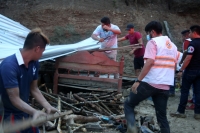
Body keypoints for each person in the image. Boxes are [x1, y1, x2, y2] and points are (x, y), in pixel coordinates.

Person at [0, 28, 58, 133]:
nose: (42, 54)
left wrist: (47, 106)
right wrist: (35, 111)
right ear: (37, 49)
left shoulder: (34, 63)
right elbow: (14, 98)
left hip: (25, 111)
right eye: (42, 51)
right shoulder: (9, 66)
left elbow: (34, 88)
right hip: (9, 114)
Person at [124, 21, 177, 133]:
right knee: (162, 116)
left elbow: (149, 62)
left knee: (129, 103)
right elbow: (174, 64)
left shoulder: (153, 42)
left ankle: (132, 128)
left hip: (150, 83)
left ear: (152, 32)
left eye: (148, 33)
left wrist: (138, 80)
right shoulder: (173, 46)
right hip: (165, 86)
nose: (147, 36)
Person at [170, 25, 200, 120]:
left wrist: (181, 70)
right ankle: (198, 113)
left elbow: (188, 58)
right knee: (198, 92)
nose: (189, 34)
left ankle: (181, 111)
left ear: (195, 33)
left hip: (191, 70)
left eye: (190, 32)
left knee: (185, 91)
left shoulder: (193, 44)